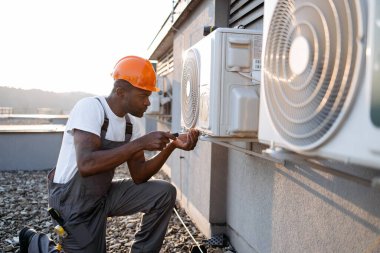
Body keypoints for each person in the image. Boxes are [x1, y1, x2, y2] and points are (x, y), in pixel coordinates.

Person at [19, 55, 199, 253]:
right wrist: (140, 143)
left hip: (102, 195)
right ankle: (36, 243)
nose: (148, 103)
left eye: (149, 96)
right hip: (73, 201)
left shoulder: (131, 126)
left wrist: (172, 146)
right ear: (120, 92)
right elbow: (86, 164)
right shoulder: (91, 108)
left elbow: (139, 176)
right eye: (142, 96)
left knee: (163, 192)